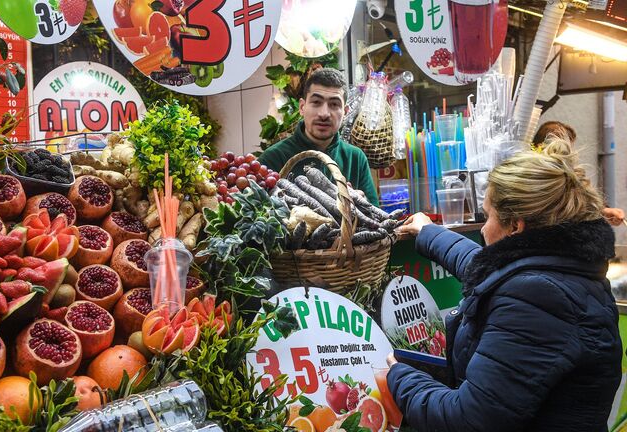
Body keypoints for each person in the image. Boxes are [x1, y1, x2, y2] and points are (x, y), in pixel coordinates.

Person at [389, 137, 621, 432]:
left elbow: (468, 421)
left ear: (516, 226)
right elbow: (485, 266)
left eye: (488, 216)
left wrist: (398, 376)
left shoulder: (539, 299)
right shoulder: (564, 266)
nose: (483, 229)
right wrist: (429, 233)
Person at [257, 68, 379, 205]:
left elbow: (376, 214)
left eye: (334, 104)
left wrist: (362, 202)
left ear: (344, 112)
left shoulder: (355, 158)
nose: (324, 113)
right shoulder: (273, 158)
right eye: (316, 102)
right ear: (302, 107)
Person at [532, 120, 624, 226]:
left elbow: (583, 198)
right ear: (541, 147)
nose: (569, 155)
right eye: (563, 149)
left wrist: (604, 211)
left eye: (569, 149)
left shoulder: (569, 173)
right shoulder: (530, 176)